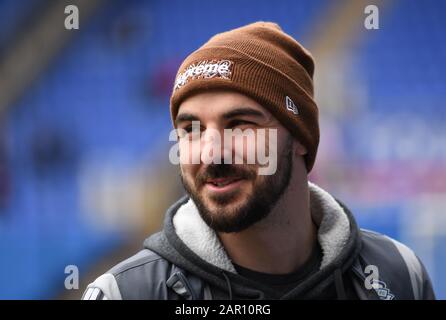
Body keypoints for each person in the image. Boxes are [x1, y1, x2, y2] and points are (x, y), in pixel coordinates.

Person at [82, 22, 435, 300]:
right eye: (191, 128)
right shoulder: (126, 294)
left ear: (299, 138)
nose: (211, 152)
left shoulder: (397, 275)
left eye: (240, 125)